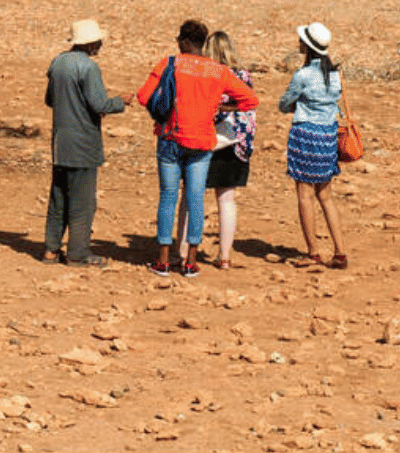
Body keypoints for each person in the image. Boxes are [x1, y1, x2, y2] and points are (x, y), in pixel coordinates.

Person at [133, 17, 258, 278]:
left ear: (185, 41)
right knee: (196, 197)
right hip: (202, 142)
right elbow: (250, 99)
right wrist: (223, 107)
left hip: (171, 137)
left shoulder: (170, 63)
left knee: (169, 196)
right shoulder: (218, 71)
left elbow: (144, 96)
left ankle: (164, 260)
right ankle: (191, 261)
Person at [42, 18, 128, 266]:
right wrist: (121, 101)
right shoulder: (89, 68)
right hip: (83, 143)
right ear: (90, 44)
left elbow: (50, 100)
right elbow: (99, 104)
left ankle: (51, 249)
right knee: (82, 201)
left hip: (61, 142)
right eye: (98, 41)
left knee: (58, 197)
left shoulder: (58, 62)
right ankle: (77, 253)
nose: (100, 45)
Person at [279, 22, 348, 269]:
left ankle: (313, 252)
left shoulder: (303, 75)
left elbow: (284, 103)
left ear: (307, 46)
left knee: (304, 195)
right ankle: (340, 251)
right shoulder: (335, 74)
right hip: (328, 136)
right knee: (326, 196)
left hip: (305, 135)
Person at [204, 30, 256, 270]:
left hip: (208, 139)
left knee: (193, 196)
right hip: (237, 143)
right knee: (227, 199)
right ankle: (224, 256)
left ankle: (183, 251)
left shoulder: (208, 74)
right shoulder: (244, 75)